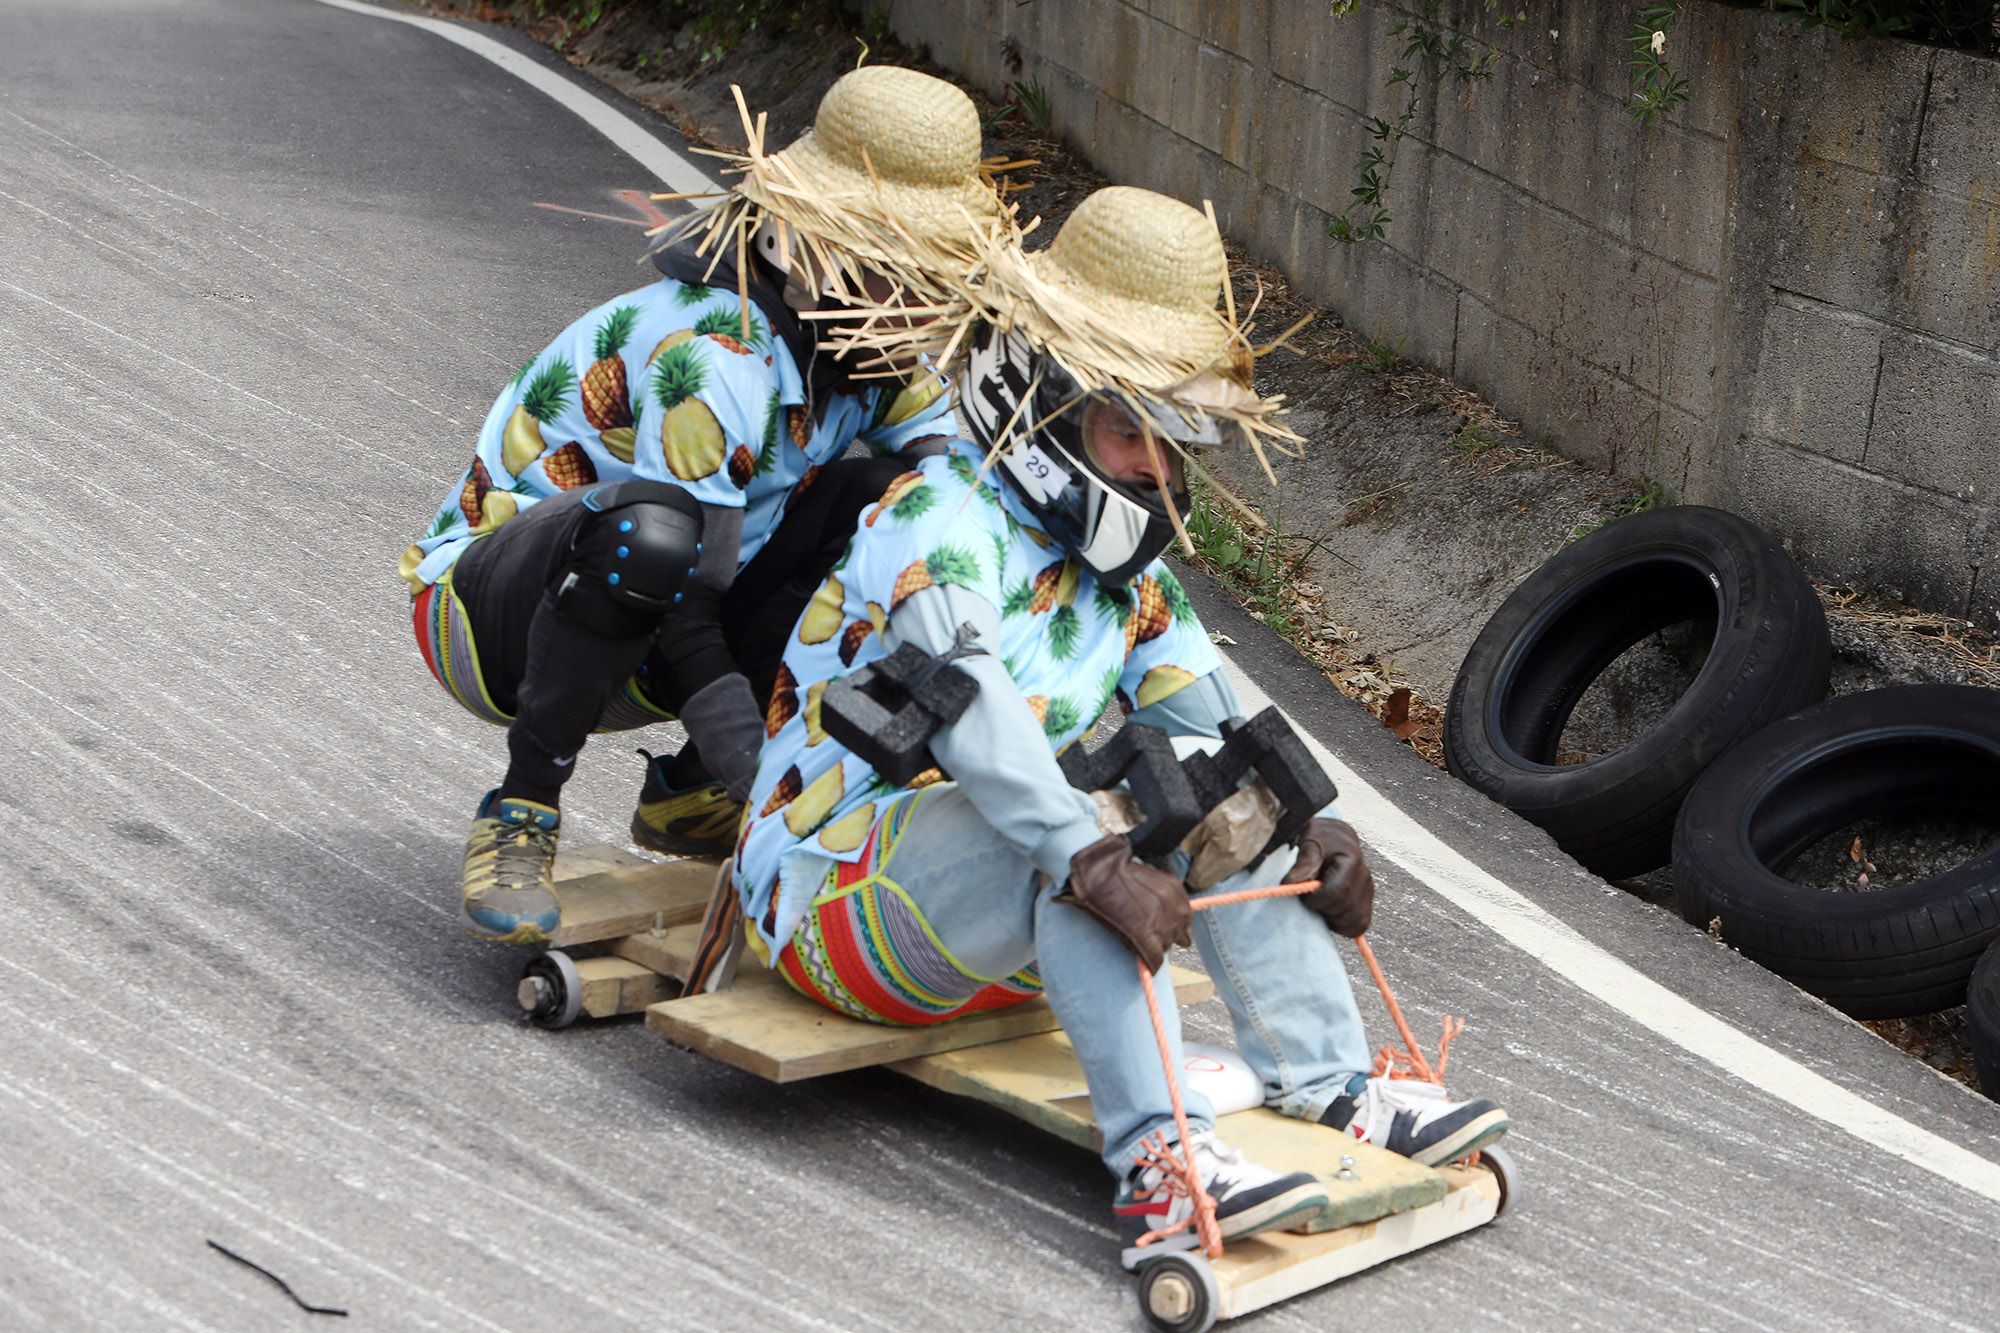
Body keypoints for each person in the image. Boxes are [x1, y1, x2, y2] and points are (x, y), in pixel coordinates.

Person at [732, 186, 1512, 1242]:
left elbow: (1220, 725)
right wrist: (1087, 853)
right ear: (1041, 399)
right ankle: (1160, 1157)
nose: (1154, 466)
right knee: (1085, 832)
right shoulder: (938, 527)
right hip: (838, 901)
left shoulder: (1125, 575)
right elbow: (973, 721)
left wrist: (1302, 831)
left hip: (1009, 932)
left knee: (1219, 790)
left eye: (1173, 438)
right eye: (1125, 427)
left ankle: (1328, 1082)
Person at [396, 66, 1014, 945]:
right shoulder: (718, 355)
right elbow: (684, 593)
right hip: (500, 617)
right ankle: (521, 807)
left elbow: (960, 504)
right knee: (652, 533)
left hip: (666, 625)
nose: (926, 308)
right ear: (817, 250)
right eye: (905, 275)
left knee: (896, 505)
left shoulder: (871, 348)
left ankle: (690, 794)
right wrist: (767, 780)